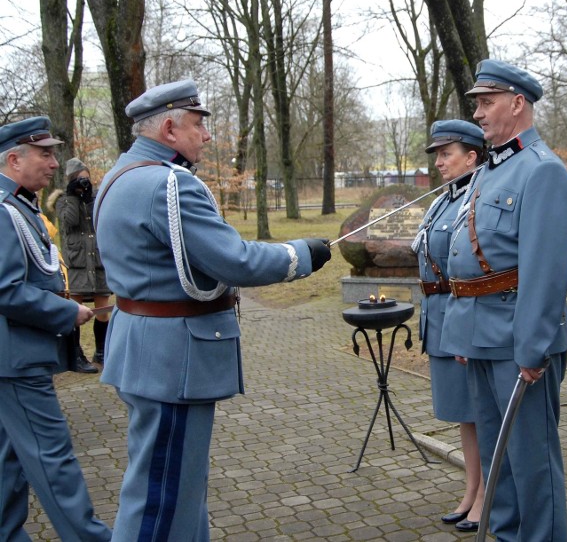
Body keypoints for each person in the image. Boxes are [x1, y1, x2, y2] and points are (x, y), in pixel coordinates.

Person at [95, 80, 332, 540]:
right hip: (172, 360)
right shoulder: (170, 184)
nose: (207, 136)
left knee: (178, 491)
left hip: (143, 350)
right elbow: (233, 260)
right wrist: (302, 254)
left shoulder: (119, 176)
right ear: (169, 127)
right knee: (161, 500)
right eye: (199, 124)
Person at [441, 59, 567, 541]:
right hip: (481, 335)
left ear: (517, 103)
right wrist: (461, 330)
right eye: (476, 103)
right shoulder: (492, 169)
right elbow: (470, 259)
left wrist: (532, 347)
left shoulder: (542, 172)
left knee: (531, 463)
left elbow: (545, 271)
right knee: (501, 471)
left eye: (486, 102)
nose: (477, 113)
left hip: (520, 340)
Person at [0, 116, 112, 540]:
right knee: (52, 459)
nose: (54, 162)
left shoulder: (20, 203)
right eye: (44, 154)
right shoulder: (3, 209)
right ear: (14, 159)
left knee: (10, 462)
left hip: (15, 356)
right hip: (18, 361)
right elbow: (4, 290)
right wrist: (66, 313)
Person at [413, 119, 487, 532]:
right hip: (439, 317)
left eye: (447, 154)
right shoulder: (443, 199)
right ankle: (470, 488)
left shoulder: (475, 198)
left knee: (478, 411)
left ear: (472, 156)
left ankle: (484, 496)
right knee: (463, 412)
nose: (439, 162)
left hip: (461, 318)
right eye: (438, 155)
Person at [51, 157, 112, 371]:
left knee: (103, 310)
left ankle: (102, 352)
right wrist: (74, 197)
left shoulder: (97, 198)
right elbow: (70, 222)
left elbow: (101, 220)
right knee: (75, 309)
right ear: (70, 180)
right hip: (76, 262)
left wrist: (89, 199)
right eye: (79, 179)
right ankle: (76, 355)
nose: (84, 183)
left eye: (86, 179)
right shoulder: (63, 200)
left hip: (97, 260)